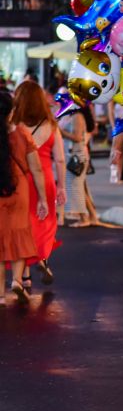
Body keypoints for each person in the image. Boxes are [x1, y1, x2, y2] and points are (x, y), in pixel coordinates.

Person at [12, 81, 66, 288]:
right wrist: (61, 186)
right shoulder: (51, 126)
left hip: (20, 180)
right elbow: (60, 159)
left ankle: (23, 275)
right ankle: (42, 258)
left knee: (23, 226)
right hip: (44, 179)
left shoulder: (14, 125)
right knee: (45, 222)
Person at [0, 91, 48, 305]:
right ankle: (17, 281)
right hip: (19, 188)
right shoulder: (22, 134)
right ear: (11, 113)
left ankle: (0, 294)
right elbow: (36, 169)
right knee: (20, 233)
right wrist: (43, 199)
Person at [59, 102, 93, 227]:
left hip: (77, 155)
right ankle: (89, 216)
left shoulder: (77, 116)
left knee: (76, 188)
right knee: (78, 187)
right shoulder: (73, 116)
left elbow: (78, 137)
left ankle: (84, 218)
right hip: (75, 155)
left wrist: (61, 132)